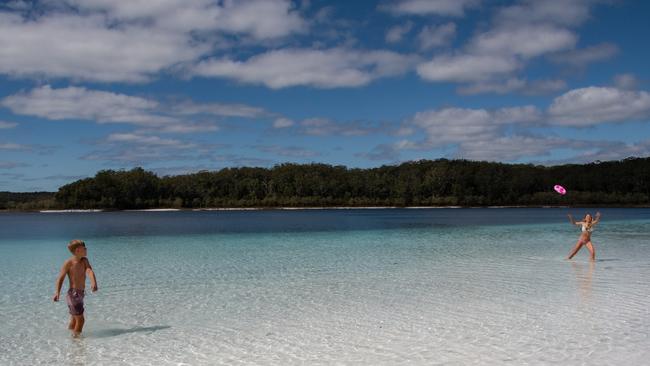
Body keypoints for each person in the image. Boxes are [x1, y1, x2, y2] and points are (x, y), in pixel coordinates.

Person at [53, 239, 98, 337]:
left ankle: (71, 337)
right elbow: (61, 278)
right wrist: (57, 293)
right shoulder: (69, 263)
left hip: (80, 294)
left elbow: (89, 271)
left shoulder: (85, 261)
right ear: (78, 250)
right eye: (84, 248)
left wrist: (94, 282)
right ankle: (77, 341)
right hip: (73, 294)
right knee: (81, 320)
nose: (86, 249)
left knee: (74, 319)